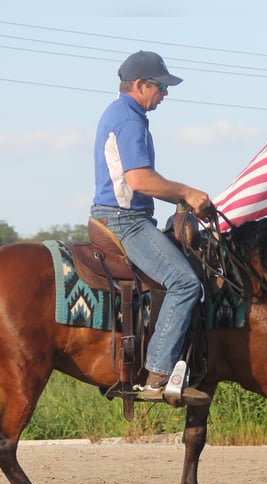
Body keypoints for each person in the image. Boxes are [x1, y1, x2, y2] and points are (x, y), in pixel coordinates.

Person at [91, 50, 212, 407]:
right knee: (185, 283)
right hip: (124, 221)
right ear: (141, 85)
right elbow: (140, 179)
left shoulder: (124, 114)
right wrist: (187, 193)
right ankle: (158, 375)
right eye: (161, 86)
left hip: (125, 216)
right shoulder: (129, 118)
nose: (166, 93)